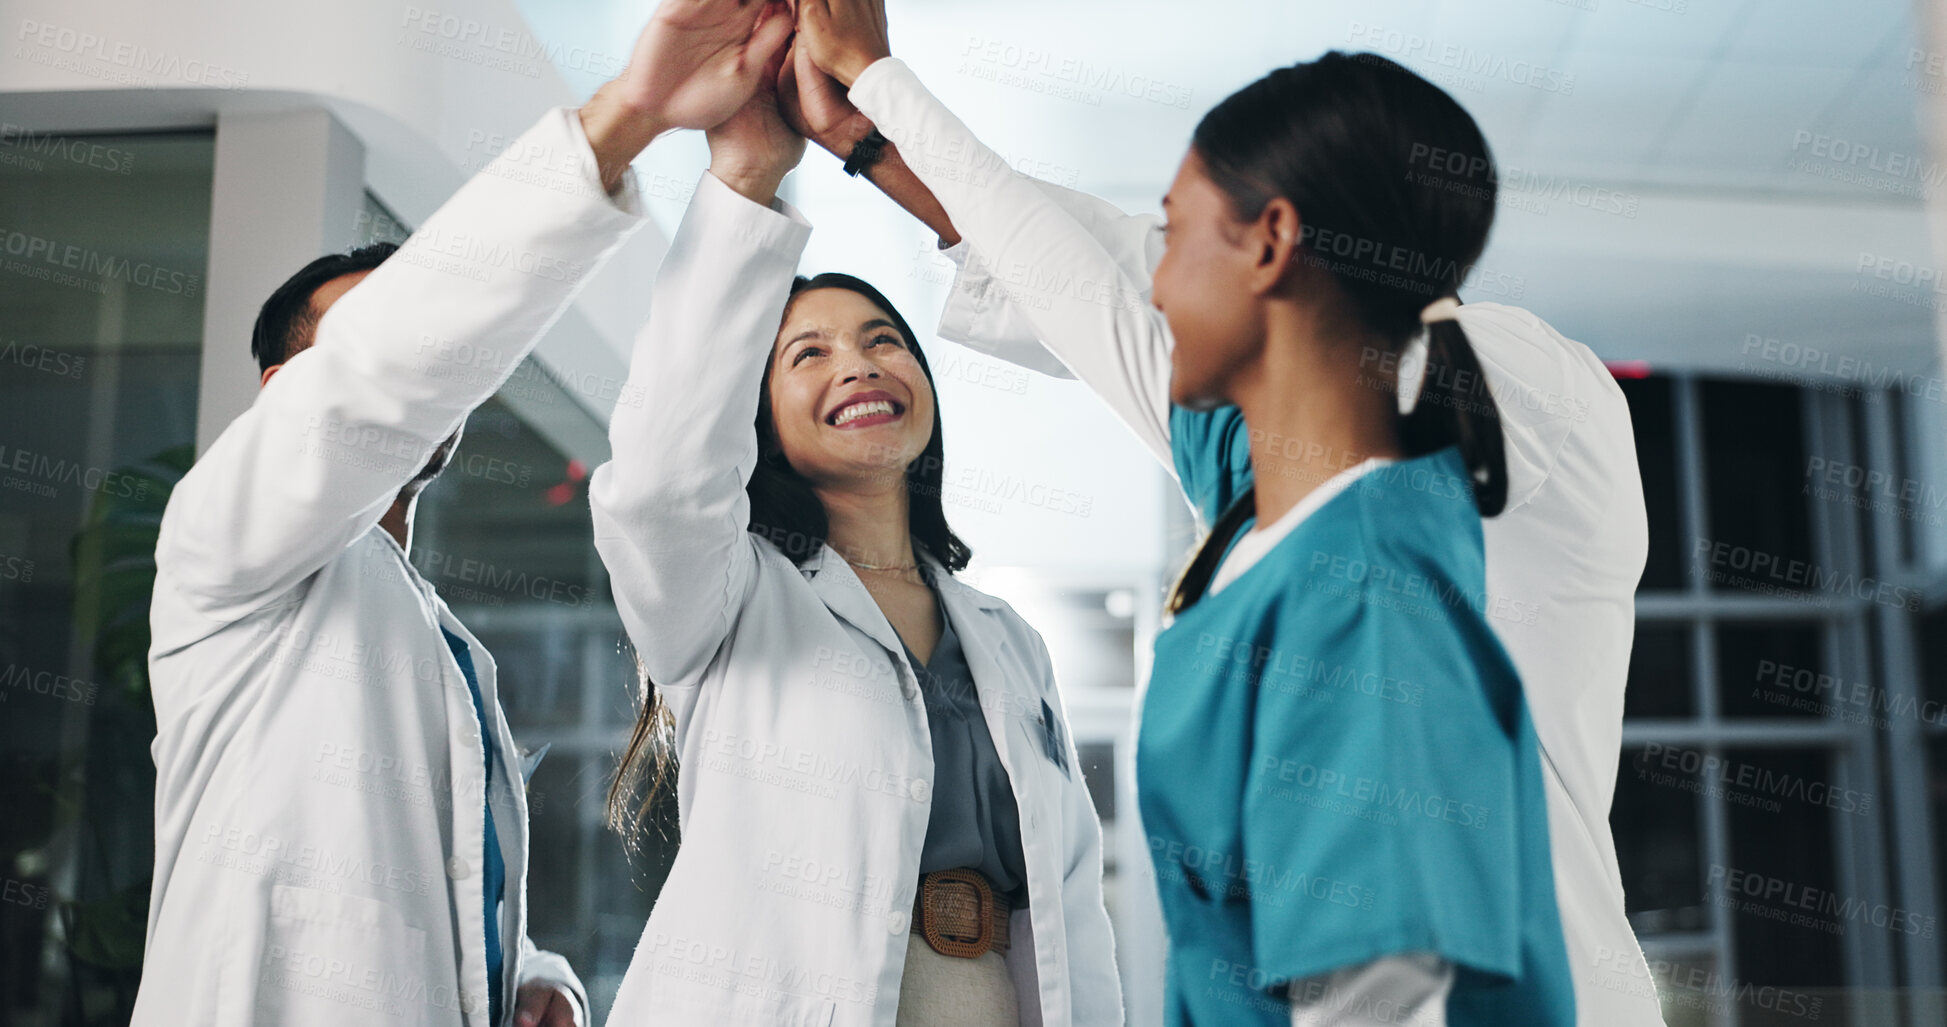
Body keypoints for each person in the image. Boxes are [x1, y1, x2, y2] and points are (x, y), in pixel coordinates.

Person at [784, 3, 1663, 1023]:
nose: (1156, 274)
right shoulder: (1270, 477)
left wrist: (888, 92)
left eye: (1177, 233)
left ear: (1277, 251)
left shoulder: (1490, 422)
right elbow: (1077, 275)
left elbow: (1380, 986)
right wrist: (867, 131)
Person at [132, 3, 799, 1023]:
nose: (414, 354)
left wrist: (532, 978)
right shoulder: (220, 540)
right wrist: (629, 117)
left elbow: (424, 891)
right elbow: (388, 371)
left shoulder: (434, 639)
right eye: (365, 333)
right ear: (280, 394)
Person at [589, 46, 1121, 1027]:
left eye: (883, 339)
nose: (859, 364)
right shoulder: (727, 595)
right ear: (758, 419)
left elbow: (1073, 901)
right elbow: (660, 472)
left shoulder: (1007, 636)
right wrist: (746, 179)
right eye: (809, 353)